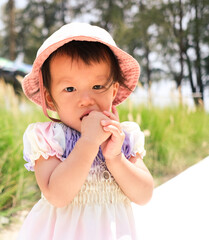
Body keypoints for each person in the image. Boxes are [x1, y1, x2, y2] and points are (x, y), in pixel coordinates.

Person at [18, 22, 154, 240]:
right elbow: (57, 195)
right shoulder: (50, 139)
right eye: (70, 89)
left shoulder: (124, 138)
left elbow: (144, 194)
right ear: (50, 98)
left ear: (114, 90)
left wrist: (116, 158)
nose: (86, 100)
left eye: (98, 87)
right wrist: (89, 142)